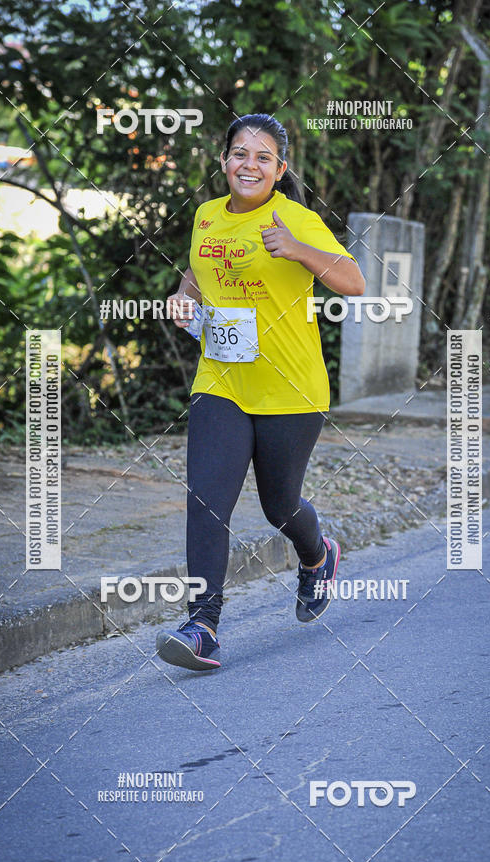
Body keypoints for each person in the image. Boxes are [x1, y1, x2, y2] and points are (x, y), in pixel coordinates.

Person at [156, 113, 365, 671]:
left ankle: (317, 555)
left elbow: (354, 282)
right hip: (221, 382)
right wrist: (184, 299)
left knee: (279, 505)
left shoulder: (295, 219)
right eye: (240, 154)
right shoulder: (205, 217)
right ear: (224, 161)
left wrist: (298, 250)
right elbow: (198, 275)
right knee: (205, 501)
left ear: (280, 168)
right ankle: (202, 625)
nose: (249, 164)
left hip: (292, 391)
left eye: (262, 157)